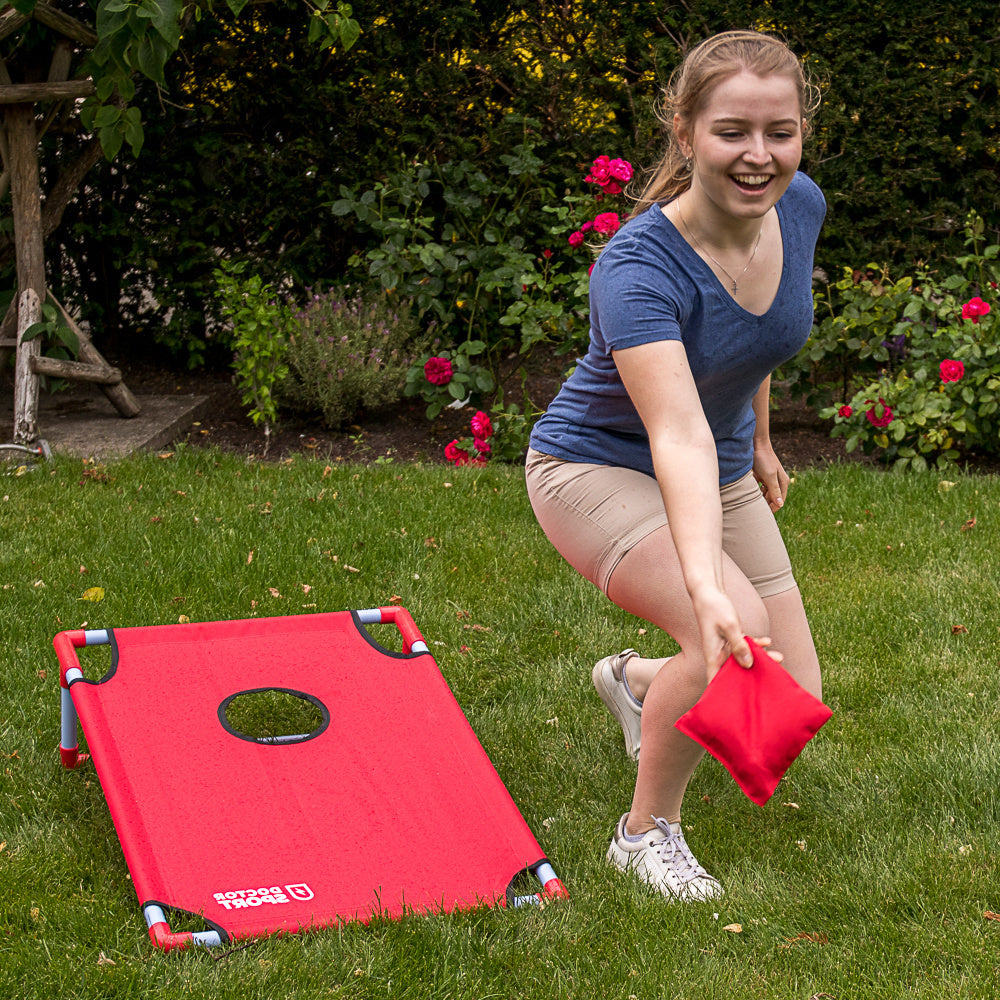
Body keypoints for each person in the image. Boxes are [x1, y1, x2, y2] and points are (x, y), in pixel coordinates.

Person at [525, 30, 826, 901]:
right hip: (596, 470)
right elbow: (678, 436)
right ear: (686, 130)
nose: (759, 156)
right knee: (726, 633)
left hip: (723, 459)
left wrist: (762, 439)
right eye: (733, 131)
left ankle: (634, 683)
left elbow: (760, 335)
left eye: (780, 132)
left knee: (784, 701)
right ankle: (643, 832)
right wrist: (706, 592)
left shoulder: (798, 205)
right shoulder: (637, 268)